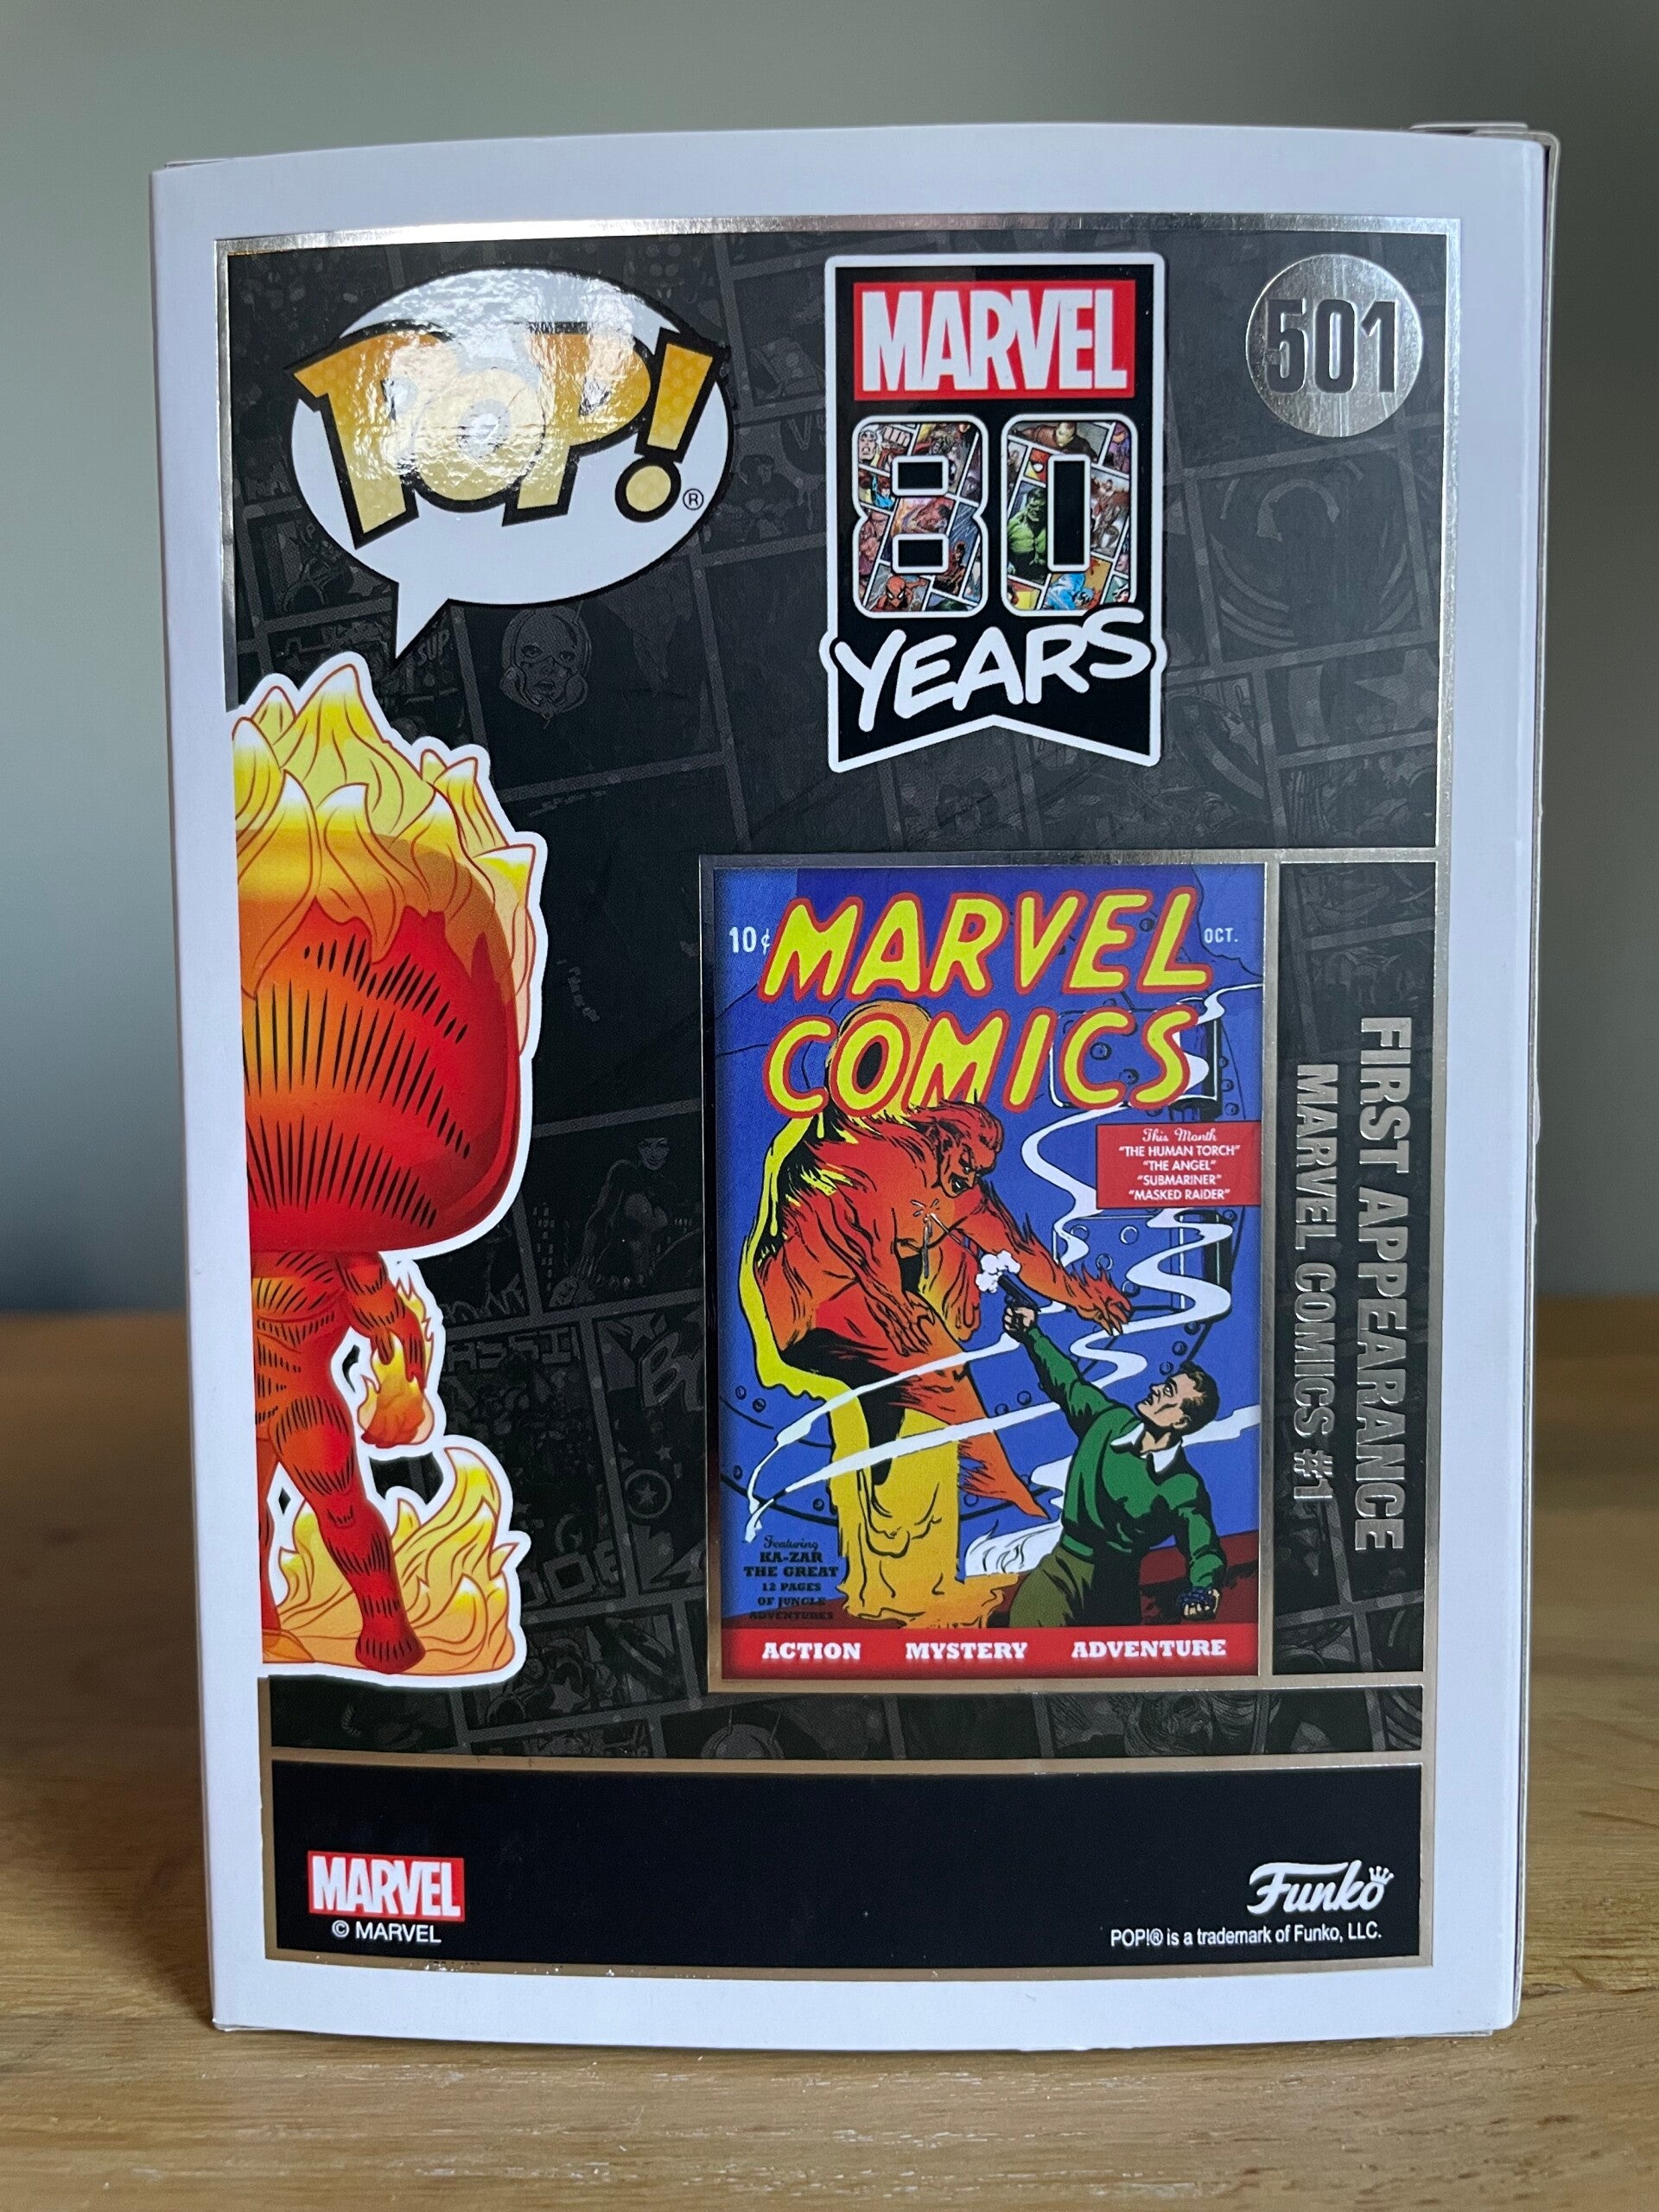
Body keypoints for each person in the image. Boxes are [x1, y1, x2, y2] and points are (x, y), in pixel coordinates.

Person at [1003, 1288, 1225, 1628]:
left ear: (1181, 1421)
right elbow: (1067, 1383)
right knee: (1029, 1634)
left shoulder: (1183, 1486)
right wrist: (1031, 1333)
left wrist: (1204, 1588)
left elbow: (1202, 1546)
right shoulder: (1108, 1421)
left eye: (1168, 1392)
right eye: (1164, 1384)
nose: (1155, 1389)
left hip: (1115, 1594)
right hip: (1062, 1569)